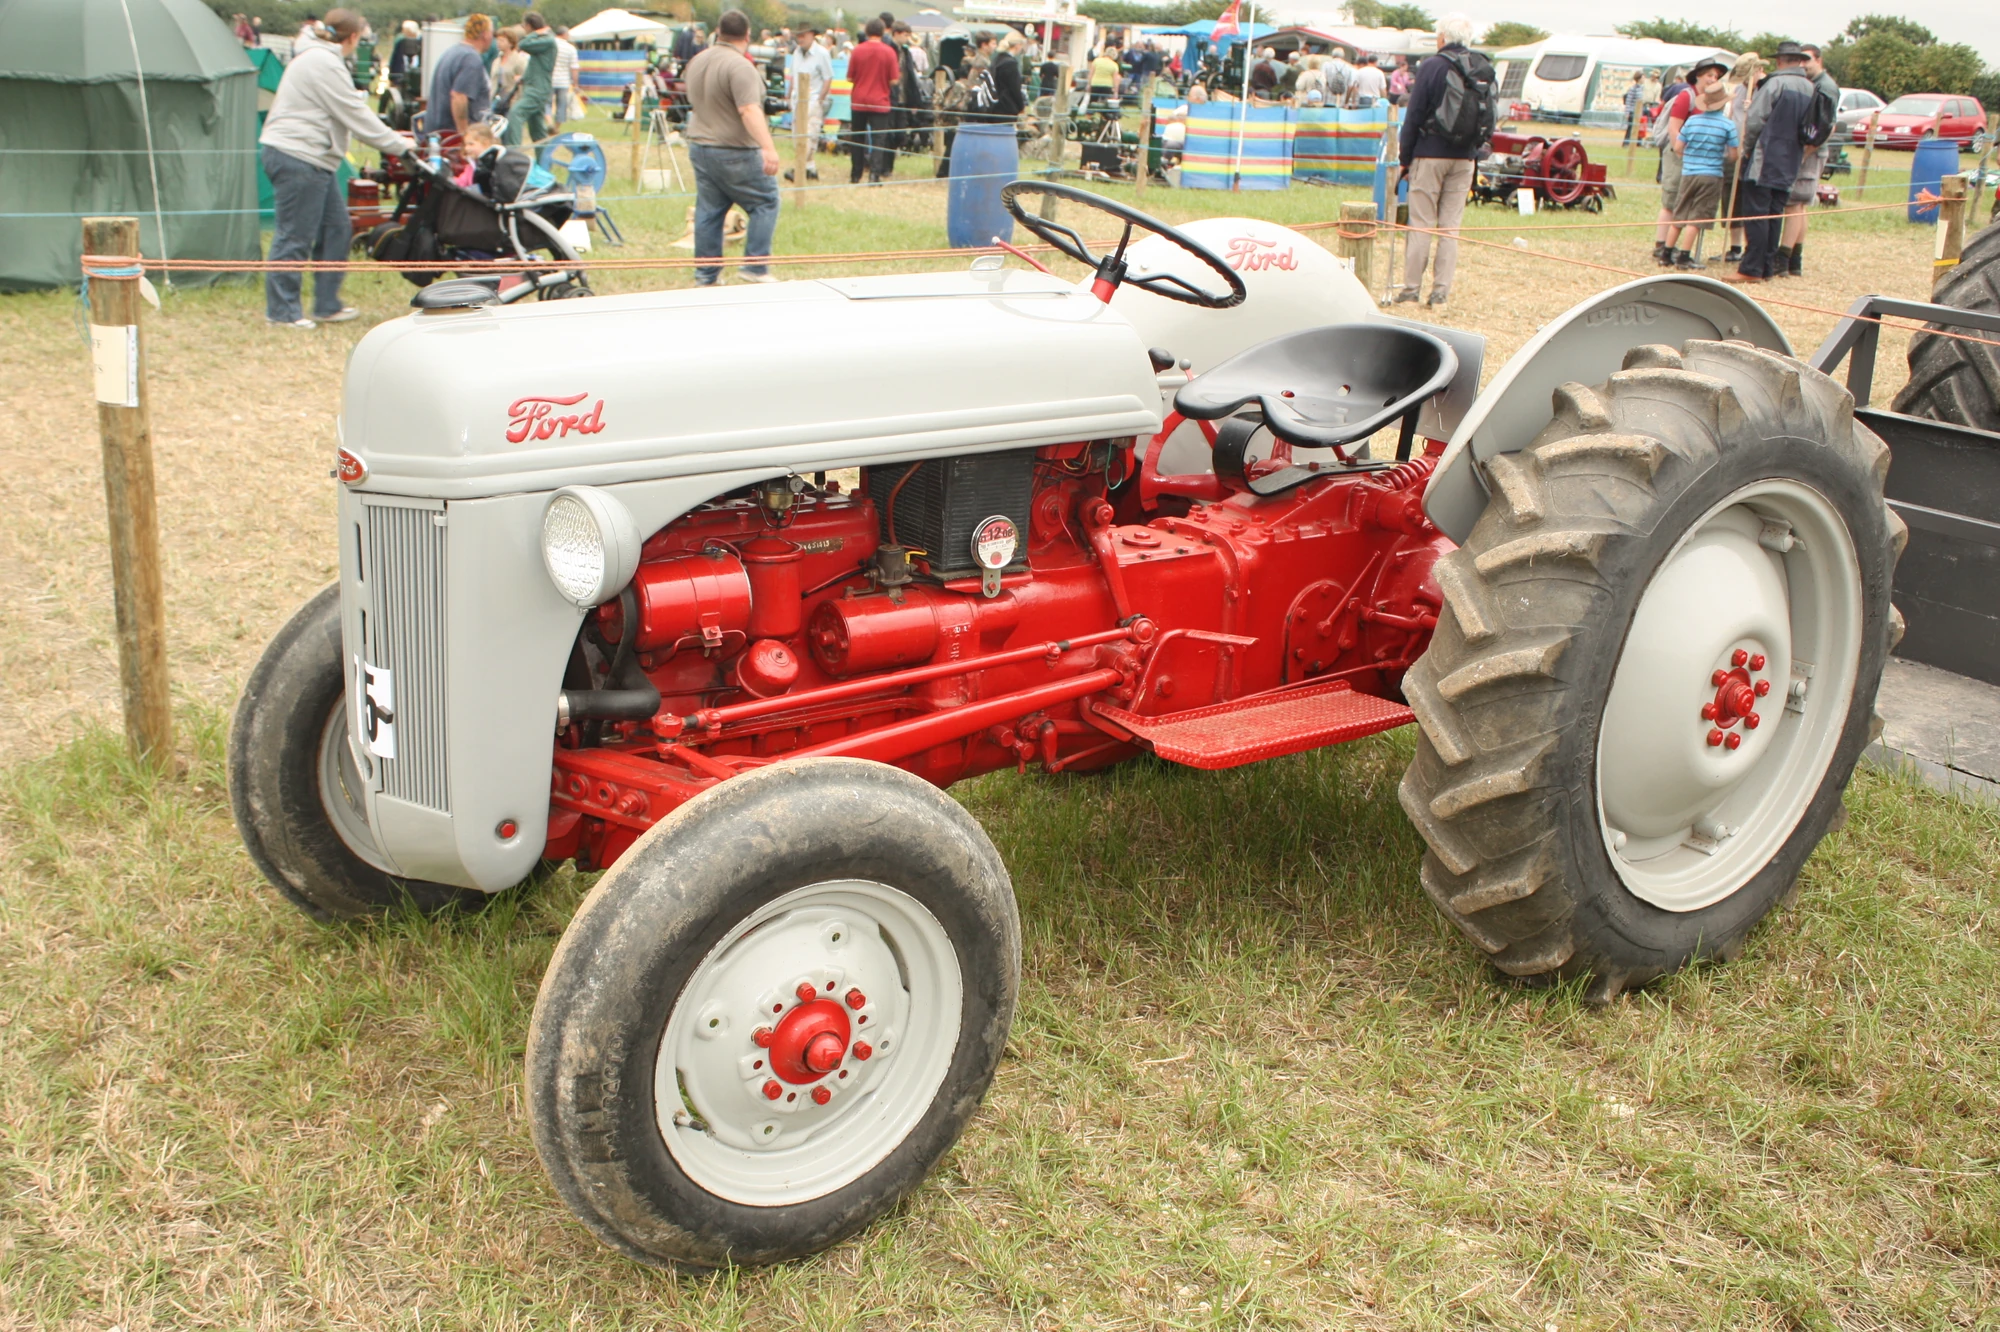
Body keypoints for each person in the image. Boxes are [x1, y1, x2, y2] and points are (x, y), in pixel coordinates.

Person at [259, 9, 415, 328]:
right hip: (298, 155)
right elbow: (355, 114)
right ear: (354, 37)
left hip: (314, 159)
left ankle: (327, 305)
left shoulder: (319, 58)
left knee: (337, 228)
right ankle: (281, 312)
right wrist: (401, 145)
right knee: (295, 236)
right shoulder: (323, 63)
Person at [1395, 13, 1489, 308]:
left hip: (1430, 152)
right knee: (1450, 228)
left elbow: (1414, 114)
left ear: (1442, 38)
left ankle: (1411, 290)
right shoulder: (1481, 65)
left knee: (1421, 223)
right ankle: (1440, 294)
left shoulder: (1432, 65)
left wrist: (1405, 157)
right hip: (1465, 158)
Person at [683, 8, 781, 286]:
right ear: (747, 34)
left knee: (709, 211)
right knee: (765, 201)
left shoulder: (697, 60)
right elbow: (749, 110)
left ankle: (707, 275)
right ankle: (756, 266)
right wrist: (768, 147)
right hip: (734, 149)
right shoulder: (740, 66)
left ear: (719, 31)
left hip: (700, 145)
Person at [1728, 41, 1814, 283]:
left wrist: (1746, 148)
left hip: (1764, 156)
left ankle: (1751, 268)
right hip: (1792, 157)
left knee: (1756, 212)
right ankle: (1767, 266)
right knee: (1775, 213)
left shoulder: (1775, 83)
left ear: (1779, 61)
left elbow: (1755, 120)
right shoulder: (1810, 87)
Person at [1650, 57, 1724, 265]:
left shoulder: (1711, 99)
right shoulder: (1686, 96)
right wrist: (1680, 150)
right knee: (1671, 199)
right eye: (1709, 74)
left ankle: (1676, 247)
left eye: (1716, 76)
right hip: (1678, 154)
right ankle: (1661, 245)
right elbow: (1674, 127)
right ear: (1698, 76)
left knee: (1687, 203)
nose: (1713, 79)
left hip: (1698, 159)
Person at [1663, 83, 1740, 269]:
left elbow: (1678, 147)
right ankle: (1684, 256)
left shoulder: (1692, 121)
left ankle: (1666, 253)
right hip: (1711, 175)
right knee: (1698, 217)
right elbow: (1733, 154)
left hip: (1689, 173)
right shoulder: (1728, 125)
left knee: (1680, 213)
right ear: (1723, 104)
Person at [1780, 43, 1840, 276]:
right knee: (1800, 205)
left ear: (1819, 61)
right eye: (1800, 61)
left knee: (1795, 202)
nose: (1803, 65)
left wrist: (1804, 153)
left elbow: (1826, 127)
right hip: (1811, 150)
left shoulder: (1826, 87)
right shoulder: (1817, 84)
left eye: (1808, 60)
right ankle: (1794, 259)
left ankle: (1785, 257)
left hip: (1812, 151)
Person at [1721, 53, 1764, 262]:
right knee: (1732, 199)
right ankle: (1734, 246)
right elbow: (1731, 117)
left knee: (1750, 201)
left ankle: (1750, 246)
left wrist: (1752, 108)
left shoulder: (1764, 90)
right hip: (1734, 150)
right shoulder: (1739, 90)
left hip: (1752, 153)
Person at [422, 14, 493, 137]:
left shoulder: (452, 52)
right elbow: (459, 96)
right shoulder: (470, 58)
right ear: (485, 34)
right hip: (451, 134)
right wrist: (463, 134)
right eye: (492, 33)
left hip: (437, 130)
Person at [846, 19, 898, 184]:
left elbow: (849, 77)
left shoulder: (857, 50)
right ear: (883, 32)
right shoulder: (889, 52)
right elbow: (894, 80)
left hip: (859, 100)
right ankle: (874, 175)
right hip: (880, 101)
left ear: (867, 32)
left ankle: (855, 174)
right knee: (878, 139)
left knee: (858, 138)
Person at [503, 13, 557, 146]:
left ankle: (514, 152)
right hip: (533, 86)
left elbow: (523, 44)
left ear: (528, 25)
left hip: (537, 89)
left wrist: (536, 33)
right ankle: (543, 161)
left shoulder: (547, 39)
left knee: (515, 113)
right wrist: (524, 77)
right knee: (537, 131)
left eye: (524, 26)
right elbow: (537, 63)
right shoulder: (543, 40)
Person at [786, 26, 831, 181]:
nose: (800, 39)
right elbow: (792, 76)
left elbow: (827, 78)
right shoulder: (796, 53)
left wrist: (819, 99)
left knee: (809, 135)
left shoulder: (822, 53)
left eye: (803, 35)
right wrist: (788, 96)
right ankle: (810, 169)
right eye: (798, 36)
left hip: (812, 99)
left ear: (812, 35)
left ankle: (798, 169)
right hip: (797, 99)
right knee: (796, 135)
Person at [491, 27, 526, 120]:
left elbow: (525, 80)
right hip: (496, 100)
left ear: (510, 43)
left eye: (502, 40)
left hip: (512, 101)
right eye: (497, 40)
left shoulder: (519, 60)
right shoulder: (496, 61)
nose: (498, 43)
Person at [549, 25, 579, 130]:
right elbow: (574, 68)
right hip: (563, 82)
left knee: (547, 103)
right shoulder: (571, 48)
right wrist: (576, 84)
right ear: (565, 35)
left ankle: (548, 123)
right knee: (561, 106)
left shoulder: (550, 45)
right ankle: (556, 127)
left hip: (549, 80)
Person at [1090, 44, 1120, 111]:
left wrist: (1088, 85)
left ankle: (1089, 117)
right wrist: (1115, 91)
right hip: (1107, 85)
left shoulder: (1096, 61)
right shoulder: (1114, 65)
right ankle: (1104, 117)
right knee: (1106, 105)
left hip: (1095, 84)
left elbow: (1091, 74)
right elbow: (1115, 79)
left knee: (1092, 103)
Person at [1621, 70, 1645, 145]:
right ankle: (1626, 143)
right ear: (1639, 78)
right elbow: (1628, 101)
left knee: (1638, 128)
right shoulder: (1633, 88)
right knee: (1630, 128)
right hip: (1632, 111)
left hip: (1638, 111)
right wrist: (1627, 112)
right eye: (1643, 78)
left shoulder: (1641, 88)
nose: (1644, 79)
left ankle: (1637, 143)